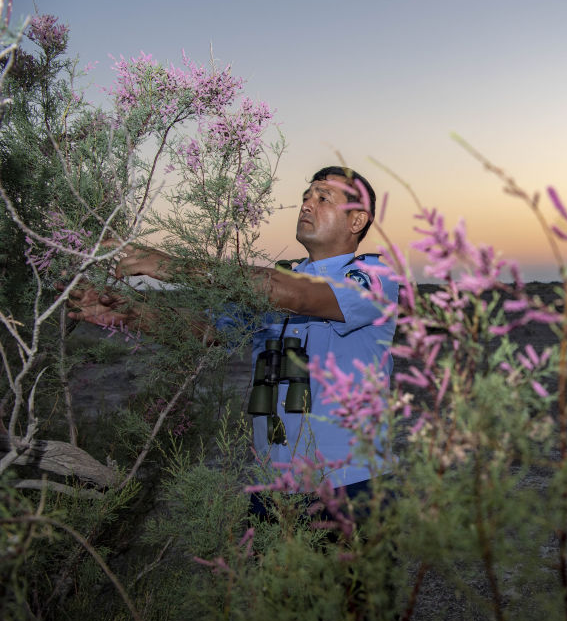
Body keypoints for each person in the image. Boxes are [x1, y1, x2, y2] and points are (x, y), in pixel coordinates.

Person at [65, 166, 399, 496]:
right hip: (274, 487)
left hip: (351, 484)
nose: (307, 204)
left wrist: (174, 266)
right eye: (306, 196)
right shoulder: (279, 280)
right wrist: (126, 313)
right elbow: (206, 330)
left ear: (357, 220)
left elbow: (295, 294)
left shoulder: (374, 277)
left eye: (324, 197)